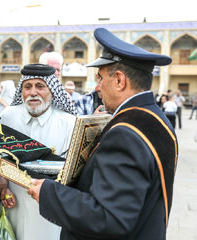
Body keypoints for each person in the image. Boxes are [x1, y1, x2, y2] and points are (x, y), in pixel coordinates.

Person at [28, 28, 178, 239]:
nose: (97, 87)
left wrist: (48, 193)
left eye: (100, 78)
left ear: (119, 80)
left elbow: (109, 217)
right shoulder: (155, 119)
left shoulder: (125, 134)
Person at [0, 64, 77, 240]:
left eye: (40, 86)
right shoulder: (7, 116)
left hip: (51, 205)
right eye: (28, 86)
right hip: (13, 200)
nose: (33, 92)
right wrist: (0, 177)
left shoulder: (69, 123)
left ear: (52, 90)